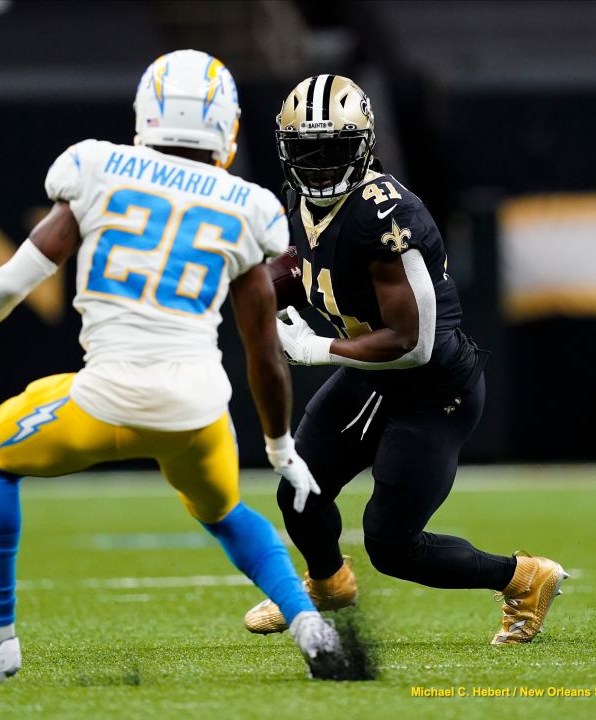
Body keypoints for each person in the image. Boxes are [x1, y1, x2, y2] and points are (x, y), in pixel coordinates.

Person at [0, 50, 348, 680]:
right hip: (197, 410)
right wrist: (281, 447)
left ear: (146, 115)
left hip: (104, 400)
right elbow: (262, 348)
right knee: (225, 512)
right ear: (226, 128)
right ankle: (309, 623)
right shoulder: (249, 206)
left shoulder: (98, 166)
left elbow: (18, 276)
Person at [243, 75, 568, 645]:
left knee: (391, 545)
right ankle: (328, 586)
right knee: (299, 487)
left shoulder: (385, 214)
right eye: (306, 152)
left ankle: (522, 577)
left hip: (432, 387)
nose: (318, 167)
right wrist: (277, 290)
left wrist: (316, 348)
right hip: (372, 376)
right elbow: (319, 266)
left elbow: (411, 342)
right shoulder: (303, 200)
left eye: (334, 150)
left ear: (365, 144)